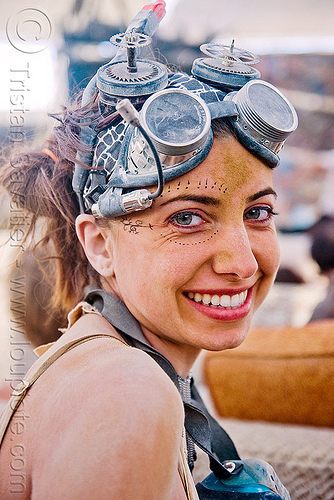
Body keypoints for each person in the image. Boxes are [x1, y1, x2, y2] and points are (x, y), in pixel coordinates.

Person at [0, 2, 298, 498]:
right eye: (186, 217)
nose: (243, 263)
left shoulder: (111, 363)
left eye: (257, 213)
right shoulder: (125, 394)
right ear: (100, 244)